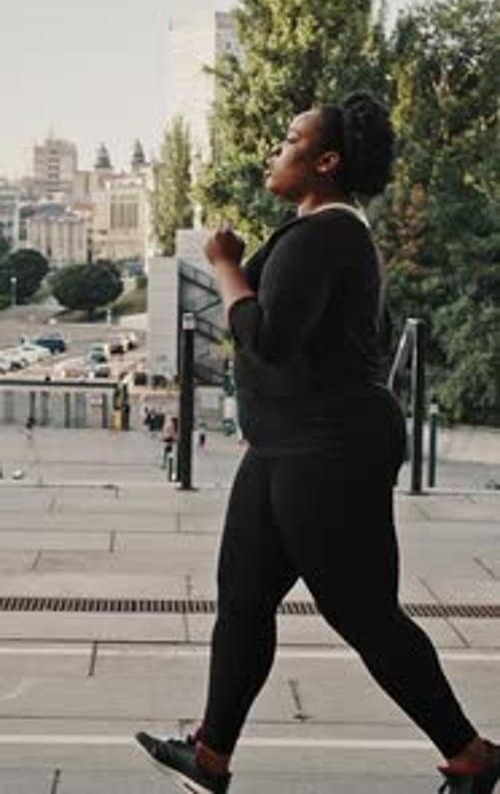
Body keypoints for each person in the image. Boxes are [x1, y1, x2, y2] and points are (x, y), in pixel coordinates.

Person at [135, 93, 499, 794]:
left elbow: (267, 339)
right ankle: (210, 755)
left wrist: (222, 263)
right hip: (285, 446)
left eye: (291, 138)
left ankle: (470, 754)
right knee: (243, 599)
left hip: (330, 449)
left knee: (362, 610)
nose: (277, 146)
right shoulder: (319, 233)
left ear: (325, 162)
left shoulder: (328, 234)